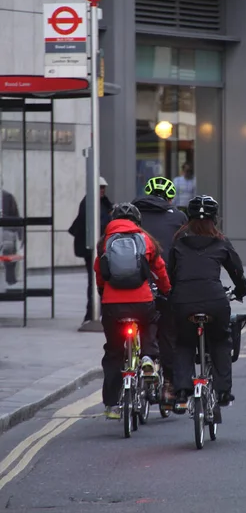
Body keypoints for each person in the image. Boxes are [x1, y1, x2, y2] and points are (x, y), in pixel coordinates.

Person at [168, 195, 246, 409]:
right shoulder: (221, 241)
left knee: (184, 343)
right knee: (221, 340)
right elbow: (236, 271)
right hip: (215, 301)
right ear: (215, 218)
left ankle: (182, 391)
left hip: (183, 301)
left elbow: (169, 274)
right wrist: (241, 290)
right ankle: (222, 392)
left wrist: (171, 294)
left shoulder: (178, 240)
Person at [94, 202, 171, 419]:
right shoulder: (146, 240)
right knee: (150, 322)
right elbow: (159, 269)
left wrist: (103, 292)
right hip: (141, 301)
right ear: (138, 222)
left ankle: (111, 405)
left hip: (112, 305)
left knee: (113, 353)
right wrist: (166, 290)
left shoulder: (105, 242)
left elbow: (99, 272)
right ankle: (148, 357)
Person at [133, 176, 187, 402]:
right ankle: (169, 386)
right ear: (170, 198)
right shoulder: (179, 217)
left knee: (143, 321)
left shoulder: (133, 215)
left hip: (133, 283)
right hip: (164, 282)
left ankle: (143, 360)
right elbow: (183, 253)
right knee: (168, 331)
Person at [68, 177, 113, 325]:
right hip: (92, 250)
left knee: (100, 281)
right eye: (99, 187)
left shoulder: (104, 202)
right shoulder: (89, 203)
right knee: (94, 282)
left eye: (103, 188)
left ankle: (97, 312)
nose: (102, 190)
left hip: (101, 249)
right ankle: (91, 314)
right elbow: (95, 224)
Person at [2, 189, 23, 286]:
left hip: (6, 232)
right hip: (7, 233)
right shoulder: (7, 196)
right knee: (8, 256)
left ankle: (10, 279)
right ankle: (10, 279)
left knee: (8, 256)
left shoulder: (7, 196)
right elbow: (16, 217)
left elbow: (15, 218)